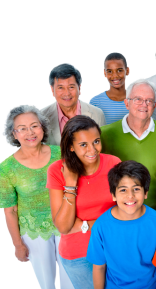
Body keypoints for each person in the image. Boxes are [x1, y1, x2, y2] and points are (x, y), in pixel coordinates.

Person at [0, 104, 73, 289]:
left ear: (42, 127)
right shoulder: (6, 168)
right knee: (46, 283)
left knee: (70, 280)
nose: (29, 132)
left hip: (66, 224)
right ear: (14, 134)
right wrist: (17, 245)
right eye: (22, 129)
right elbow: (10, 210)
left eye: (34, 126)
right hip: (35, 231)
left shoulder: (60, 154)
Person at [47, 115, 121, 288]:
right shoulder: (57, 171)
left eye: (96, 141)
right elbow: (64, 226)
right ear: (71, 147)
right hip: (79, 255)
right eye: (83, 145)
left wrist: (84, 225)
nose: (92, 150)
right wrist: (71, 186)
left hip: (113, 247)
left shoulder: (113, 163)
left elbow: (124, 212)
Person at [87, 160, 156, 289]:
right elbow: (99, 267)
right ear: (113, 195)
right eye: (123, 190)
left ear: (145, 193)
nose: (130, 196)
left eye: (136, 189)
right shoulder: (101, 226)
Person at [100, 80, 156, 212]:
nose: (144, 105)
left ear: (154, 106)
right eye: (138, 99)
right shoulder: (105, 134)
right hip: (117, 213)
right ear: (127, 103)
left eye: (149, 101)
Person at [42, 62, 106, 145]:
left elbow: (103, 149)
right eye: (60, 88)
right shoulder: (42, 117)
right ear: (52, 90)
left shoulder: (97, 114)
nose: (67, 93)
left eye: (71, 87)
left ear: (79, 88)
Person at [90, 51, 130, 125]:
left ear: (127, 71)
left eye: (119, 70)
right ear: (105, 73)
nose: (115, 76)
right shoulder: (95, 102)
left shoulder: (136, 100)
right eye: (110, 71)